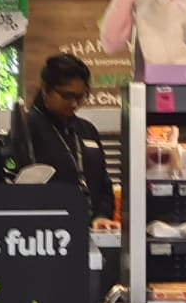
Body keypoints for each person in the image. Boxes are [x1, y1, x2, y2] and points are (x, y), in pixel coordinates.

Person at [14, 54, 119, 230]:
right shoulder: (27, 130)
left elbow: (104, 184)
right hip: (47, 234)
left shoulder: (87, 130)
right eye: (67, 96)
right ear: (46, 90)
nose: (74, 104)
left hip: (90, 231)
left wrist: (101, 215)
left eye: (81, 96)